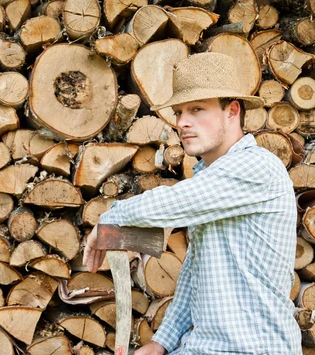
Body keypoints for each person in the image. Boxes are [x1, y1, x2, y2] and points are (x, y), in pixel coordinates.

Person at [83, 52, 301, 354]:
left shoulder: (257, 168)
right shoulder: (210, 179)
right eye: (178, 112)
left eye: (197, 109)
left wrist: (110, 216)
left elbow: (172, 202)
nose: (182, 122)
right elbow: (195, 274)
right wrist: (162, 341)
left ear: (232, 111)